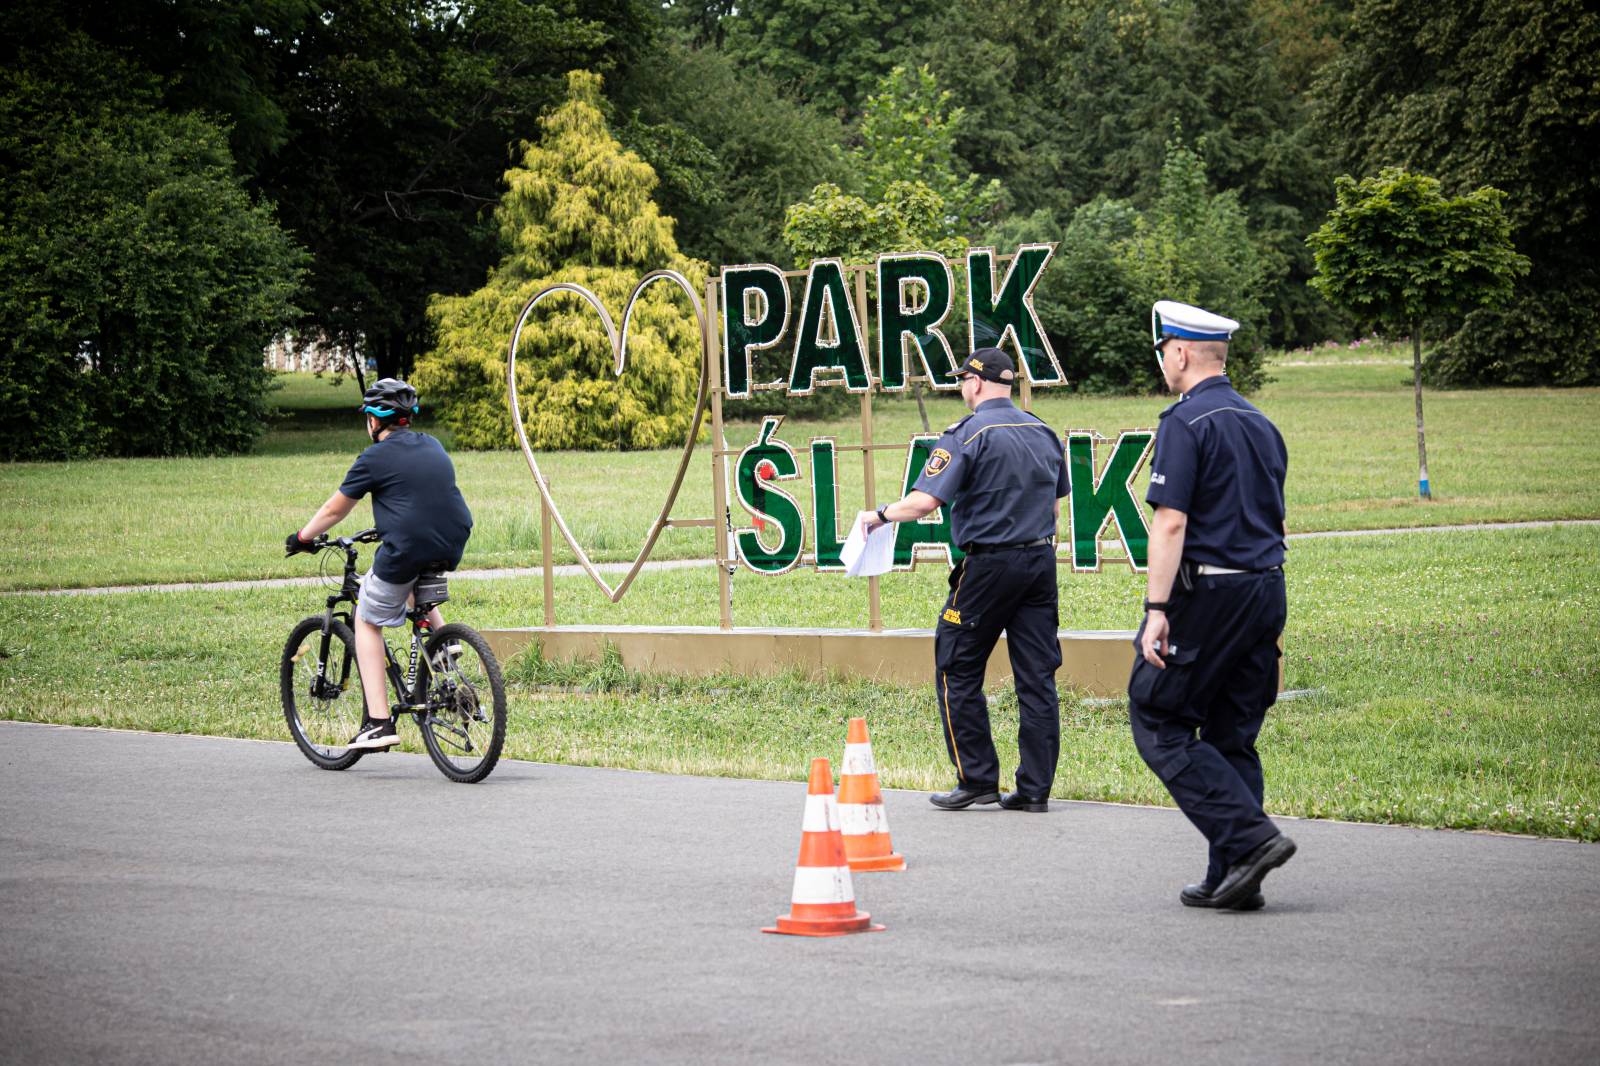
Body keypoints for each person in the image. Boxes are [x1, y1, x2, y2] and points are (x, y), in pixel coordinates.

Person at [1129, 300, 1295, 910]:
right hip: (1265, 587)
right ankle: (1236, 875)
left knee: (1158, 717)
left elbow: (1171, 523)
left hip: (1211, 593)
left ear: (1179, 352)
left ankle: (1250, 839)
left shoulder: (1186, 421)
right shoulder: (1260, 422)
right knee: (1232, 733)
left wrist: (1157, 607)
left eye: (1162, 352)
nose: (1162, 362)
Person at [858, 346, 1069, 813]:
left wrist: (879, 515)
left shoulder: (966, 435)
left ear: (975, 382)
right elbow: (1055, 512)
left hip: (988, 568)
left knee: (956, 665)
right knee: (1037, 678)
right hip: (1039, 563)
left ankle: (977, 779)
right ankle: (1034, 789)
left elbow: (925, 502)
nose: (961, 388)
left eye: (962, 380)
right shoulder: (1043, 432)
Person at [285, 378, 474, 750]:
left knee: (366, 620)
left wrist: (303, 537)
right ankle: (443, 642)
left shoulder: (374, 457)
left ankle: (378, 723)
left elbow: (335, 509)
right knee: (410, 578)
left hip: (409, 545)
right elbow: (421, 495)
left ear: (374, 419)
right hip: (453, 538)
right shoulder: (432, 444)